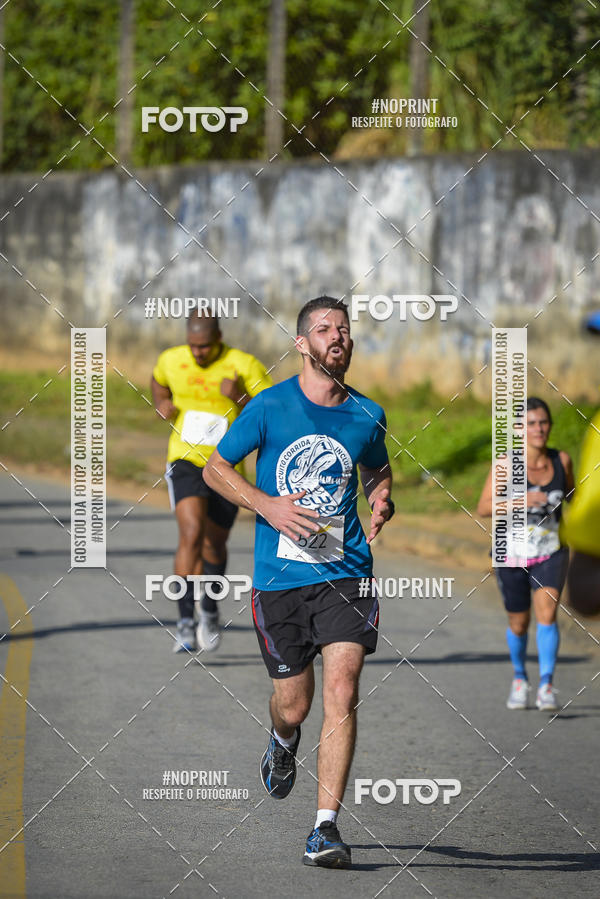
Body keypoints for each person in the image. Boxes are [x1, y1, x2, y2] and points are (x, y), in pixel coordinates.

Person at [204, 295, 394, 869]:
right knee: (295, 702)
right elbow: (215, 468)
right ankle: (284, 740)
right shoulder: (268, 407)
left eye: (343, 329)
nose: (337, 336)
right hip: (279, 580)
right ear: (301, 344)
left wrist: (382, 495)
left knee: (343, 690)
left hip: (346, 573)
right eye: (323, 329)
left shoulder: (368, 413)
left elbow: (376, 465)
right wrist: (267, 505)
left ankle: (325, 828)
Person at [151, 310, 272, 653]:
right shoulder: (172, 360)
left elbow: (270, 411)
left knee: (214, 545)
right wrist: (161, 400)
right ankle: (185, 621)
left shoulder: (244, 365)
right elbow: (158, 379)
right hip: (185, 460)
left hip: (226, 467)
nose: (198, 353)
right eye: (193, 346)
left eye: (204, 347)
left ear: (218, 338)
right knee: (191, 533)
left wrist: (239, 397)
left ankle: (210, 609)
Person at [477, 397, 574, 711]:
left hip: (550, 551)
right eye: (530, 423)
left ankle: (546, 685)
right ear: (518, 429)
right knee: (519, 623)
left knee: (547, 614)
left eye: (543, 422)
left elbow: (573, 496)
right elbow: (483, 507)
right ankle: (520, 678)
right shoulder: (506, 464)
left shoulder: (562, 461)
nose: (538, 429)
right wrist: (521, 501)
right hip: (512, 553)